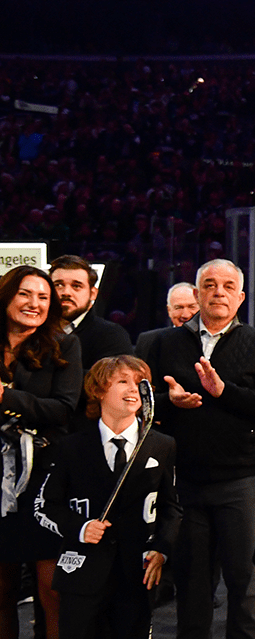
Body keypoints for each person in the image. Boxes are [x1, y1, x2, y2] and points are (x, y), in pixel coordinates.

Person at [144, 259, 255, 639]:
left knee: (245, 582)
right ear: (197, 294)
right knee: (191, 584)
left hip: (243, 479)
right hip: (183, 480)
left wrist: (223, 392)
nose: (217, 291)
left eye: (227, 286)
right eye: (209, 284)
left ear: (240, 297)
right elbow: (139, 401)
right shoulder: (162, 343)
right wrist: (168, 400)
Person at [34, 355, 181, 639]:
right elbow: (44, 506)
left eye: (140, 383)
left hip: (135, 576)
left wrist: (162, 550)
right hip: (82, 576)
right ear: (99, 391)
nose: (133, 389)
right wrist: (80, 527)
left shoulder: (162, 445)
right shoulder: (71, 447)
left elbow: (171, 506)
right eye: (122, 381)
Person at [0, 266, 83, 639]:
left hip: (43, 479)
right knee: (0, 593)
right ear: (7, 295)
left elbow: (64, 409)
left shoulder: (63, 344)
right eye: (25, 294)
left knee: (53, 593)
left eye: (43, 297)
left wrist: (7, 399)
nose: (34, 304)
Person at [49, 255, 133, 421]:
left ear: (93, 293)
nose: (66, 292)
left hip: (87, 432)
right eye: (58, 285)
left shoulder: (112, 334)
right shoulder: (31, 330)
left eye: (76, 286)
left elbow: (110, 386)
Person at [134, 283, 199, 360]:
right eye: (178, 308)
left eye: (192, 307)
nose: (185, 315)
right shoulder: (148, 341)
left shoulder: (211, 340)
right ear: (169, 311)